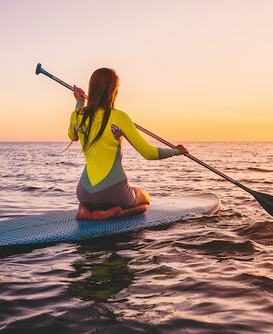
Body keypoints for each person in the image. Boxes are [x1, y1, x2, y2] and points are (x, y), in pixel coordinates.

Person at [69, 68, 187, 220]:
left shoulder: (78, 115)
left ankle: (86, 208)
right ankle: (113, 213)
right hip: (113, 193)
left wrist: (79, 103)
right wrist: (175, 151)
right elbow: (148, 153)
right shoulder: (119, 117)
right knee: (145, 200)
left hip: (83, 192)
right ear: (113, 91)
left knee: (94, 198)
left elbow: (73, 136)